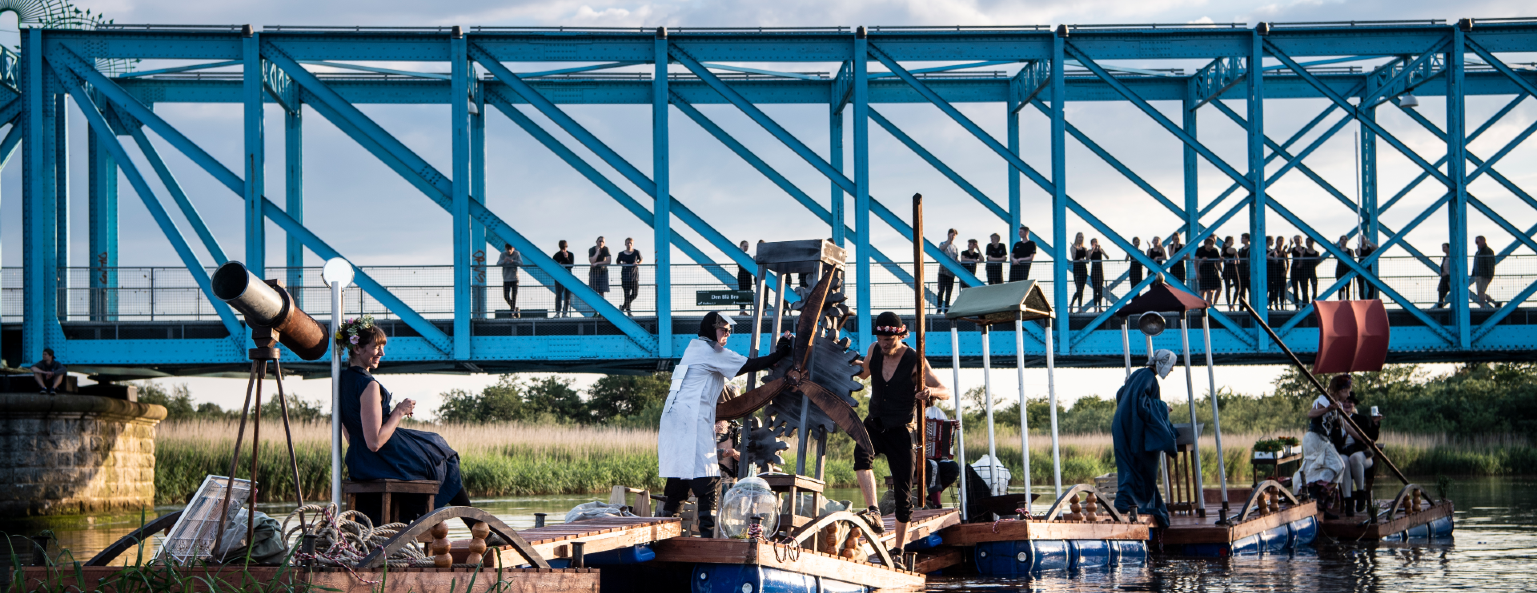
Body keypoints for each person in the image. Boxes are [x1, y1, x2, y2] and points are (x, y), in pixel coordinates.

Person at [657, 312, 793, 538]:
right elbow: (749, 365)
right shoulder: (711, 351)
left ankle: (666, 534)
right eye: (724, 330)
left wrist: (775, 356)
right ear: (711, 329)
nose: (727, 335)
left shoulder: (694, 348)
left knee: (680, 477)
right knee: (709, 481)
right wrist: (780, 353)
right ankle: (708, 538)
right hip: (692, 419)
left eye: (730, 331)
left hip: (673, 419)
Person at [338, 317, 474, 526]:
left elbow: (347, 430)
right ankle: (476, 526)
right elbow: (374, 443)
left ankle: (473, 526)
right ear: (357, 349)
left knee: (435, 447)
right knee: (442, 456)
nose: (382, 353)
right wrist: (399, 411)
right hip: (382, 458)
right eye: (376, 347)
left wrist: (361, 449)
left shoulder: (341, 380)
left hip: (359, 461)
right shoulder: (369, 385)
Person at [853, 311, 951, 564]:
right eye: (881, 338)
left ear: (900, 335)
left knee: (903, 494)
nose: (884, 344)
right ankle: (873, 510)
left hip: (902, 429)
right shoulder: (874, 349)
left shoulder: (914, 360)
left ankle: (897, 550)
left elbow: (945, 391)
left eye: (889, 340)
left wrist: (930, 391)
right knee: (861, 457)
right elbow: (863, 373)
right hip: (875, 422)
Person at [1111, 349, 1179, 528]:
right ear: (1164, 363)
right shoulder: (1149, 377)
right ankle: (1127, 505)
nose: (1172, 370)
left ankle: (1131, 503)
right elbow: (1142, 405)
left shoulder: (1138, 374)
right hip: (1133, 431)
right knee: (1141, 467)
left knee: (1130, 466)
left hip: (1123, 427)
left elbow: (1121, 394)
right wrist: (1164, 408)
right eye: (1171, 365)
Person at [1302, 374, 1364, 519]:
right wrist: (1328, 408)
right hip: (1315, 439)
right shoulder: (1324, 399)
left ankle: (1321, 504)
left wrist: (1364, 439)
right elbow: (1311, 414)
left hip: (1324, 440)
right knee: (1339, 465)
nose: (1349, 394)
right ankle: (1315, 494)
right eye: (1347, 390)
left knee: (1338, 468)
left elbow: (1347, 427)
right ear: (1340, 390)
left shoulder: (1339, 406)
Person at [1335, 394, 1380, 517]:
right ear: (1339, 404)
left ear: (1353, 404)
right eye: (1344, 401)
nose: (1347, 404)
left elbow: (1372, 437)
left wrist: (1375, 423)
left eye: (1350, 402)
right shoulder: (1336, 421)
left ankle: (1361, 493)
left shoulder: (1361, 419)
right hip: (1344, 453)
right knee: (1343, 462)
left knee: (1354, 458)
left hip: (1362, 455)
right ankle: (1348, 502)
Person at [616, 238, 643, 315]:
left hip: (634, 276)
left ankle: (623, 307)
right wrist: (622, 264)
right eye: (628, 243)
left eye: (630, 243)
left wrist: (637, 263)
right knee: (626, 294)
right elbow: (617, 262)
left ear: (632, 244)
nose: (629, 244)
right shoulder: (621, 253)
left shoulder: (636, 252)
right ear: (625, 244)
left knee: (635, 294)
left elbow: (641, 260)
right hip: (625, 276)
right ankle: (628, 311)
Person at [938, 229, 961, 313]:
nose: (953, 236)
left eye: (954, 235)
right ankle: (939, 309)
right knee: (941, 291)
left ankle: (946, 310)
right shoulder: (943, 243)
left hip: (951, 273)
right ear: (948, 234)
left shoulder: (955, 248)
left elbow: (955, 259)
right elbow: (940, 250)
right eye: (952, 234)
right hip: (943, 272)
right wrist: (948, 241)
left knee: (949, 292)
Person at [1473, 235, 1498, 308]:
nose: (1476, 243)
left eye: (1477, 241)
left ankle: (1482, 306)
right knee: (1481, 292)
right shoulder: (1478, 252)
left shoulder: (1487, 251)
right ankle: (1495, 303)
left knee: (1481, 292)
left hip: (1484, 275)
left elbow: (1490, 264)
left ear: (1483, 241)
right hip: (1479, 275)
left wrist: (1489, 275)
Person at [496, 244, 521, 317]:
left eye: (510, 249)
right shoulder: (503, 255)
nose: (509, 251)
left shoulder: (517, 254)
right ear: (505, 249)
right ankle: (514, 309)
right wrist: (504, 261)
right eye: (507, 249)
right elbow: (498, 263)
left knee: (514, 295)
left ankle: (512, 311)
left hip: (514, 278)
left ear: (513, 248)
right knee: (506, 295)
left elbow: (520, 263)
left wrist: (513, 261)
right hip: (506, 278)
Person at [1196, 236, 1222, 305]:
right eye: (1210, 244)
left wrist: (1221, 268)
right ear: (1205, 244)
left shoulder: (1215, 250)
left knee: (1215, 289)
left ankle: (1211, 305)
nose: (1211, 246)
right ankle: (1202, 305)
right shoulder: (1200, 250)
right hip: (1204, 272)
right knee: (1203, 290)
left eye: (1212, 244)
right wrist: (1197, 272)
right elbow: (1197, 262)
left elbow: (1218, 261)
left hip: (1213, 272)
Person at [553, 240, 576, 317]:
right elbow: (554, 266)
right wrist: (559, 265)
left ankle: (565, 312)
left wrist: (566, 258)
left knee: (567, 295)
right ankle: (557, 312)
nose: (563, 250)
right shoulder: (556, 255)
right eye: (562, 248)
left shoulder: (570, 254)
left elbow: (571, 265)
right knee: (559, 294)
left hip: (568, 277)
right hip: (559, 277)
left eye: (565, 247)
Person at [1070, 233, 1088, 311]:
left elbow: (1087, 260)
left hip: (1083, 269)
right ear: (1076, 238)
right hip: (1077, 270)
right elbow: (1073, 258)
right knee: (1079, 288)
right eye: (1079, 237)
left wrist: (1084, 259)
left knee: (1081, 289)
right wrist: (1075, 249)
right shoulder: (1073, 247)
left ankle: (1078, 306)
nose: (1081, 239)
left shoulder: (1084, 248)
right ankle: (1074, 305)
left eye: (1082, 237)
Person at [1289, 235, 1308, 307]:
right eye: (1295, 240)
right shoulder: (1293, 249)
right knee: (1295, 289)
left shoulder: (1304, 249)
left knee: (1304, 288)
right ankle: (1296, 305)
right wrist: (1290, 244)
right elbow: (1288, 252)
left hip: (1302, 270)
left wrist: (1301, 254)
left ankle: (1305, 305)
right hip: (1294, 269)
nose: (1297, 241)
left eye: (1298, 239)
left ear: (1301, 240)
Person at [1089, 238, 1107, 312]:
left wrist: (1101, 251)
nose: (1095, 243)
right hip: (1094, 270)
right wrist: (1093, 249)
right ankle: (1095, 308)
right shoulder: (1090, 251)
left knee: (1100, 289)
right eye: (1094, 242)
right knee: (1095, 290)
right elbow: (1089, 258)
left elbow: (1107, 257)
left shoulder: (1100, 250)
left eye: (1096, 242)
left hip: (1100, 270)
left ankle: (1100, 307)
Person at [736, 240, 754, 313]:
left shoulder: (747, 256)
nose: (746, 248)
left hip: (748, 276)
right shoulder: (739, 255)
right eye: (745, 246)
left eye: (747, 246)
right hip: (742, 276)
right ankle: (742, 310)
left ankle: (743, 310)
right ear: (741, 246)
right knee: (742, 292)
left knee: (747, 292)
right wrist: (741, 250)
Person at [1335, 236, 1354, 301]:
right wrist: (1335, 249)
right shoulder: (1338, 249)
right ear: (1340, 241)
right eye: (1342, 239)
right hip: (1340, 270)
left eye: (1345, 239)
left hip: (1347, 270)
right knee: (1340, 287)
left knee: (1348, 287)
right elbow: (1335, 256)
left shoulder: (1350, 251)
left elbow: (1352, 261)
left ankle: (1347, 302)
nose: (1344, 241)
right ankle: (1340, 301)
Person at [1235, 233, 1251, 307]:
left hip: (1248, 273)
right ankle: (1241, 306)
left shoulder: (1251, 249)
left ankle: (1251, 306)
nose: (1241, 239)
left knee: (1250, 290)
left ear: (1248, 239)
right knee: (1241, 291)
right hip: (1241, 272)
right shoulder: (1240, 250)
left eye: (1243, 238)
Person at [1304, 238, 1323, 302]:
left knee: (1314, 288)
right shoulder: (1304, 251)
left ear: (1312, 242)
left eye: (1308, 242)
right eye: (1306, 242)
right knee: (1305, 289)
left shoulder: (1316, 253)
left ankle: (1314, 302)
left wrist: (1318, 260)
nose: (1307, 243)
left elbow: (1316, 263)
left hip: (1312, 271)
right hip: (1305, 271)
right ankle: (1305, 304)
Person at [1435, 242, 1451, 309]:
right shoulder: (1445, 257)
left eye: (1444, 247)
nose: (1443, 249)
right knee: (1441, 294)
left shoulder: (1452, 257)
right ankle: (1440, 308)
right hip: (1444, 278)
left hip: (1450, 278)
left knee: (1454, 294)